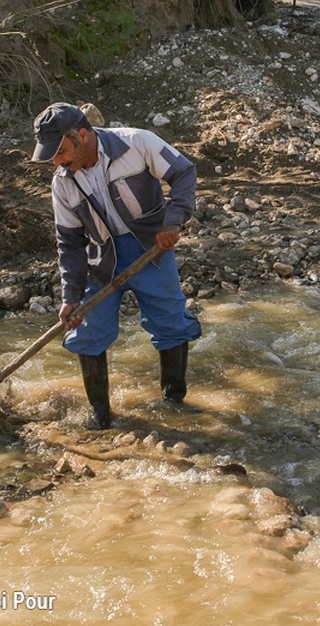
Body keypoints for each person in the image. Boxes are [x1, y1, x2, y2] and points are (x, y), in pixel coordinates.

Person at [30, 102, 202, 427]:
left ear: (82, 135)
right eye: (52, 155)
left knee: (170, 320)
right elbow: (70, 244)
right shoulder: (62, 183)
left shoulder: (137, 143)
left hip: (151, 249)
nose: (57, 161)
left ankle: (174, 402)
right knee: (89, 330)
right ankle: (101, 417)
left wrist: (173, 222)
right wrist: (71, 297)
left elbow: (184, 172)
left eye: (61, 151)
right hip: (101, 259)